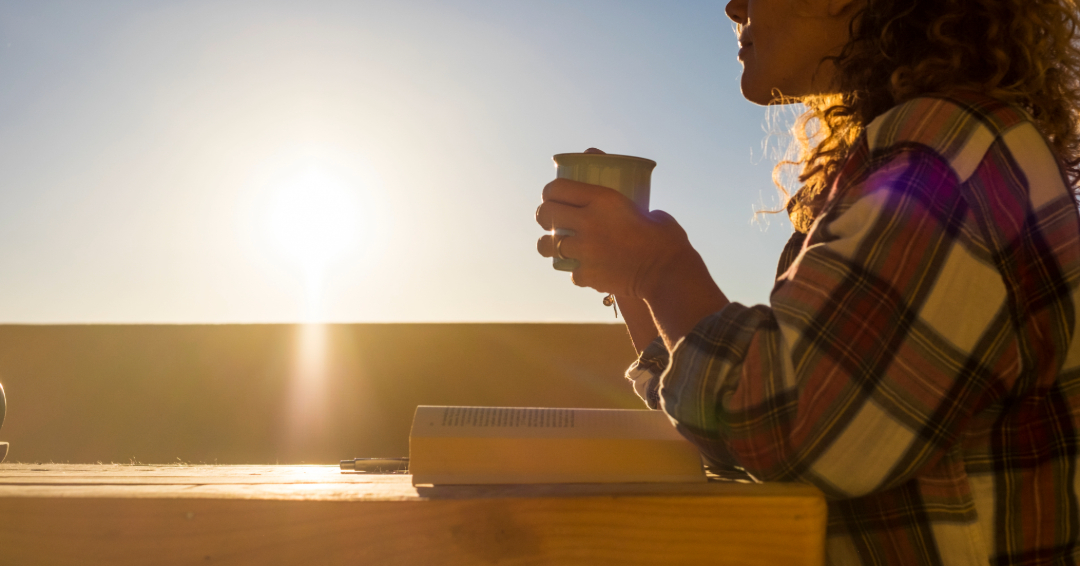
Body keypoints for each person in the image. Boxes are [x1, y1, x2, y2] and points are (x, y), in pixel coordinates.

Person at [535, 0, 1080, 564]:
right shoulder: (929, 149)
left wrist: (661, 269)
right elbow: (737, 434)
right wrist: (634, 283)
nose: (734, 5)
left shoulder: (946, 149)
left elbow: (796, 424)